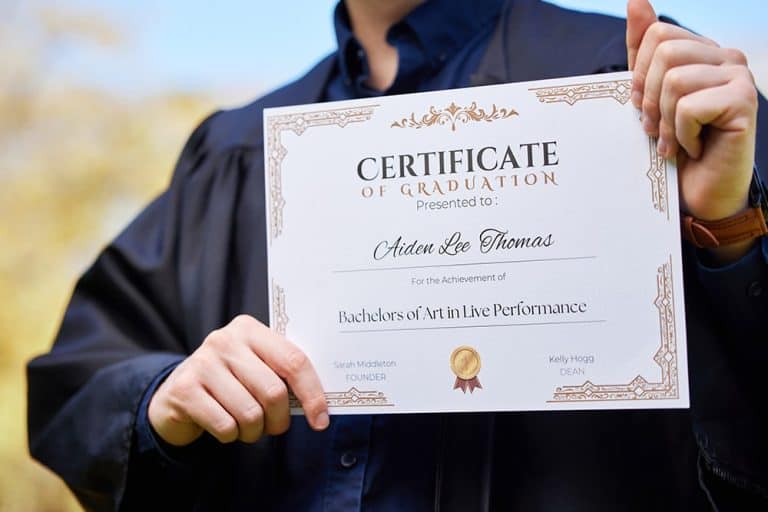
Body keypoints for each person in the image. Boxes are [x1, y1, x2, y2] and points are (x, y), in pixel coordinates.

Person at [27, 0, 768, 510]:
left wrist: (729, 230)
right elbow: (78, 381)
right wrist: (164, 399)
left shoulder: (641, 86)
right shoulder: (238, 149)